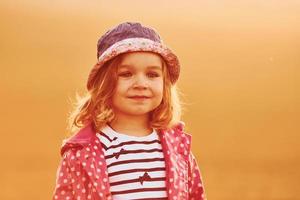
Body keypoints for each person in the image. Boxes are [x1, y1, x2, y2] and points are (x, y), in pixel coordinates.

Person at [52, 22, 206, 200]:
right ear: (104, 83)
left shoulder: (178, 149)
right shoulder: (82, 152)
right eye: (126, 74)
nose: (141, 84)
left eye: (152, 75)